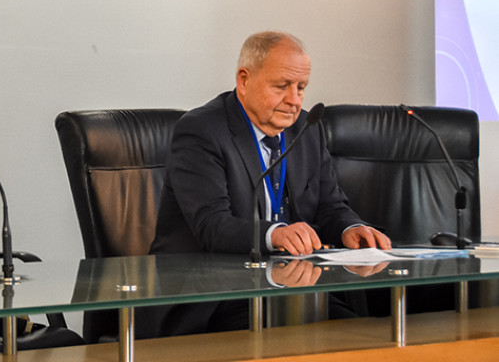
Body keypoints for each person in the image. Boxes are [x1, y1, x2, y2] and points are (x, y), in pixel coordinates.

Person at [141, 30, 391, 336]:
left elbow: (329, 206)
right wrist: (277, 234)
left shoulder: (307, 128)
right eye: (282, 86)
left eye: (301, 87)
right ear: (244, 80)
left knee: (363, 339)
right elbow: (211, 225)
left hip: (294, 290)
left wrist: (350, 228)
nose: (294, 100)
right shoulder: (201, 131)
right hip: (218, 298)